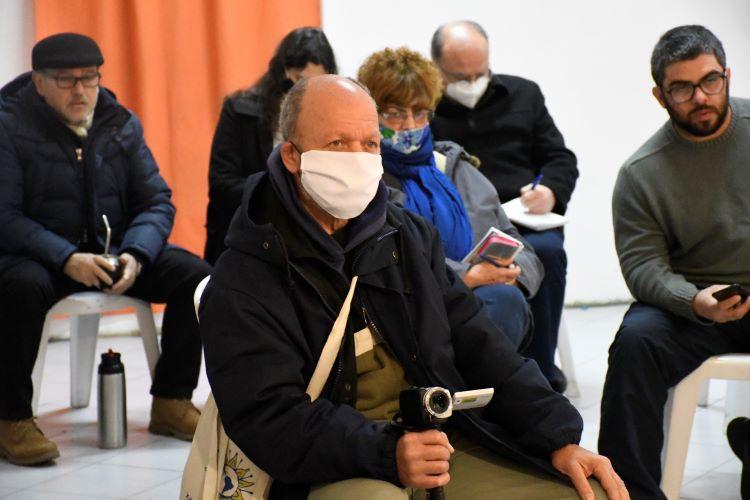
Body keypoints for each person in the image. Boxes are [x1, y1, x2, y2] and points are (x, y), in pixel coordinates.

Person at [200, 74, 628, 499]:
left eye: (369, 144)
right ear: (292, 156)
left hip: (438, 443)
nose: (358, 158)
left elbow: (479, 343)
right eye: (337, 144)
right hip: (328, 467)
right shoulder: (245, 277)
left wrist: (558, 436)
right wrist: (389, 451)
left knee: (587, 492)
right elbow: (271, 419)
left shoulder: (407, 238)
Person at [0, 33, 211, 465]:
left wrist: (137, 254)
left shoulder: (121, 124)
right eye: (65, 80)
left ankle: (172, 400)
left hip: (113, 253)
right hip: (42, 257)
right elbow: (4, 216)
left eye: (89, 78)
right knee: (20, 287)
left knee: (195, 275)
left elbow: (155, 201)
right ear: (38, 83)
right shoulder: (8, 126)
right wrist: (65, 257)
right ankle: (11, 419)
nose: (80, 90)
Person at [597, 25, 750, 498]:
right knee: (635, 343)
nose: (700, 97)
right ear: (660, 96)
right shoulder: (642, 172)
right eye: (681, 88)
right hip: (694, 303)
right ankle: (629, 491)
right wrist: (694, 301)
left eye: (710, 82)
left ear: (727, 75)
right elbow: (643, 266)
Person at [356, 46, 543, 350]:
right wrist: (466, 278)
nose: (410, 126)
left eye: (419, 113)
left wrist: (512, 273)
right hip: (410, 314)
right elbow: (385, 265)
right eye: (395, 114)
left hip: (485, 303)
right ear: (370, 115)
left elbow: (517, 243)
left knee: (508, 296)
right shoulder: (365, 180)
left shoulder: (456, 168)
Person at [430, 20, 578, 392]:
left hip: (523, 219)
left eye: (480, 73)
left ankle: (540, 370)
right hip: (467, 222)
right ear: (437, 71)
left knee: (546, 253)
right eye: (460, 76)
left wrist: (550, 191)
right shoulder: (425, 111)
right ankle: (495, 363)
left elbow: (560, 158)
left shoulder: (524, 95)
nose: (472, 82)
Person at [204, 27, 337, 265]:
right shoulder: (241, 110)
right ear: (284, 71)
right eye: (299, 80)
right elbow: (222, 186)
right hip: (248, 236)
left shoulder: (330, 118)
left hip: (307, 239)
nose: (306, 92)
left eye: (316, 84)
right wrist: (281, 189)